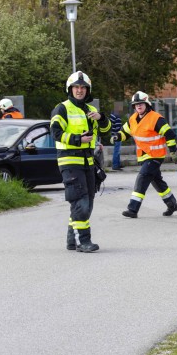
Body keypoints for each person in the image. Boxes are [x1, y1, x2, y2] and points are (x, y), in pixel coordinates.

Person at [50, 71, 111, 253]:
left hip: (88, 161)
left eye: (83, 87)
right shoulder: (62, 108)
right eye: (76, 87)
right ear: (70, 89)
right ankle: (83, 241)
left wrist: (101, 118)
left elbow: (106, 130)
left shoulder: (91, 110)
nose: (79, 90)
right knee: (80, 201)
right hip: (69, 160)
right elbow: (55, 132)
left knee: (88, 201)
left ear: (87, 90)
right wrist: (78, 139)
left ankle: (72, 239)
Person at [111, 91, 177, 219]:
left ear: (146, 104)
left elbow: (169, 134)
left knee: (142, 178)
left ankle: (133, 209)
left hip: (155, 156)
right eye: (136, 104)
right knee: (157, 181)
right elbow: (124, 132)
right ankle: (172, 204)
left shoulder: (156, 118)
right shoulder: (133, 119)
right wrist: (117, 136)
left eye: (141, 103)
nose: (138, 106)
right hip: (144, 156)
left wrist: (173, 151)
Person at [109, 105, 123, 170]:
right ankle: (115, 165)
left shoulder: (112, 115)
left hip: (113, 134)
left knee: (117, 150)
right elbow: (118, 127)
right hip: (117, 135)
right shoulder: (117, 116)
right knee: (117, 150)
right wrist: (119, 134)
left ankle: (118, 164)